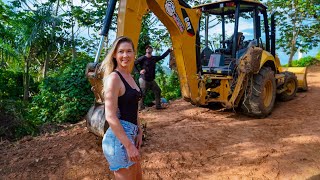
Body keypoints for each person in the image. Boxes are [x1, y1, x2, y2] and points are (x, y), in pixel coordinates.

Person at [99, 36, 143, 180]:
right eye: (121, 51)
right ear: (114, 55)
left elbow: (133, 107)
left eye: (129, 51)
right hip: (119, 140)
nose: (125, 55)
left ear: (134, 53)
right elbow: (110, 116)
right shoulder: (114, 78)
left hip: (131, 134)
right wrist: (129, 146)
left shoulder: (129, 76)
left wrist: (140, 130)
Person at [134, 45, 172, 110]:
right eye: (147, 48)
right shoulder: (142, 58)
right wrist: (138, 71)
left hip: (151, 79)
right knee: (143, 93)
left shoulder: (154, 58)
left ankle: (158, 106)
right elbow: (134, 64)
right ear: (146, 50)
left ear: (152, 50)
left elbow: (162, 57)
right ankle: (140, 107)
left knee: (158, 90)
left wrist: (169, 50)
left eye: (150, 48)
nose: (148, 49)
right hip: (143, 79)